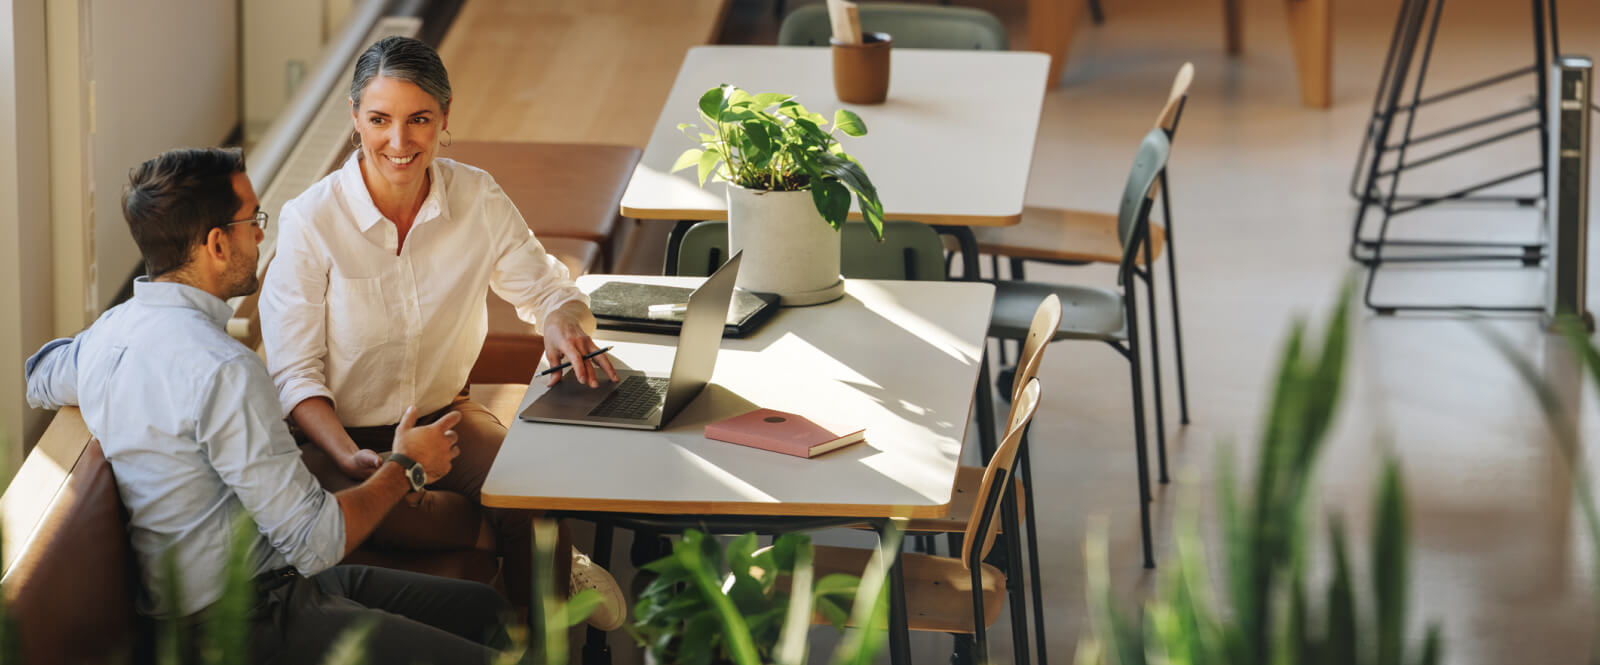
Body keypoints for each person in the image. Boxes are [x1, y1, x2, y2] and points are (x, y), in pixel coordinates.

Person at [26, 147, 512, 663]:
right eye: (251, 221)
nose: (260, 234)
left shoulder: (111, 334)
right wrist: (407, 466)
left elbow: (39, 376)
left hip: (268, 586)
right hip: (243, 623)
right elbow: (316, 539)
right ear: (216, 244)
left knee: (487, 610)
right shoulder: (225, 370)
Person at [257, 36, 624, 628]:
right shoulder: (310, 221)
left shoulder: (476, 196)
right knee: (366, 511)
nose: (398, 143)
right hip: (337, 438)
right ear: (355, 118)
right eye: (379, 120)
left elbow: (549, 290)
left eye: (418, 120)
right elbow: (295, 376)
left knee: (530, 487)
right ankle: (501, 535)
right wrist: (358, 460)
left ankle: (541, 635)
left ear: (444, 118)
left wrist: (560, 321)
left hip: (444, 418)